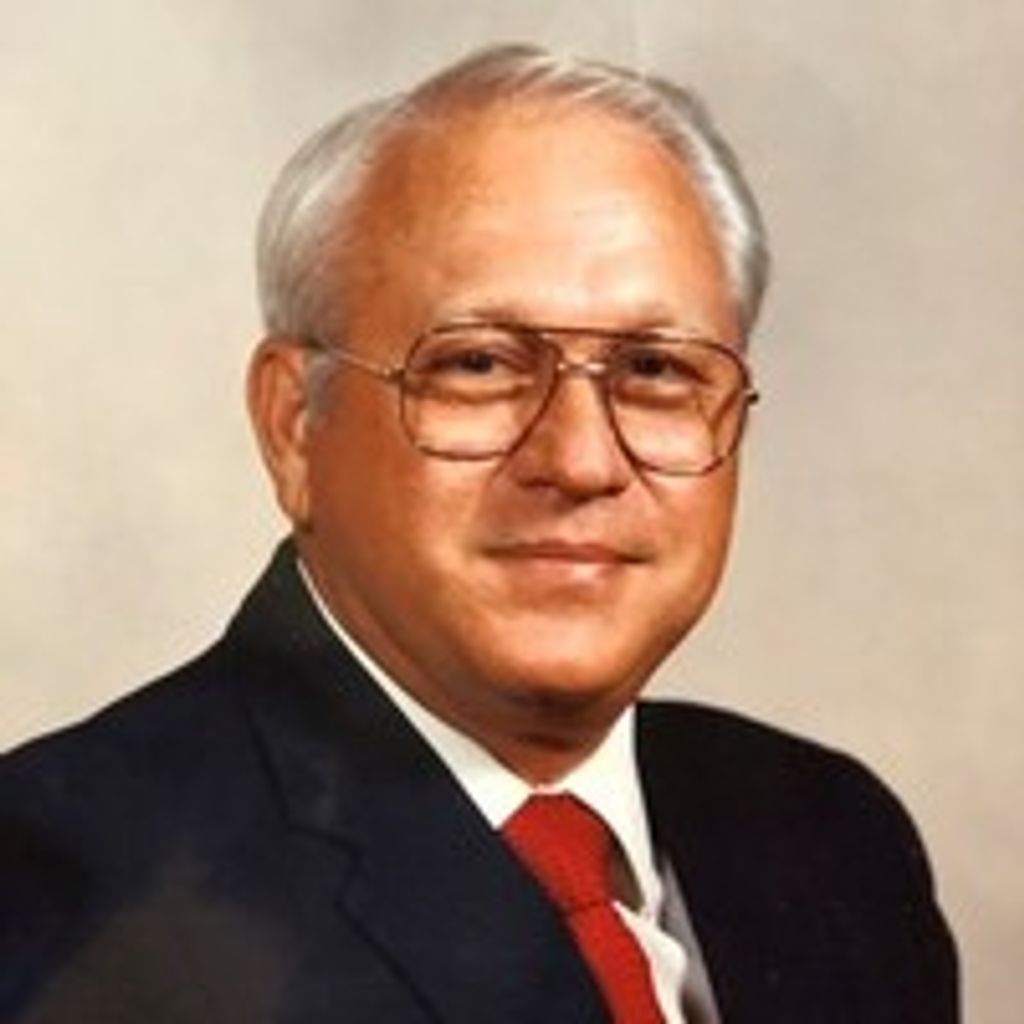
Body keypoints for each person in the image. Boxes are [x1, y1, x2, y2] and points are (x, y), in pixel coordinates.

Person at [1, 43, 957, 1024]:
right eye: (479, 365)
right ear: (294, 426)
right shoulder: (53, 893)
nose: (580, 461)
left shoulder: (833, 844)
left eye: (656, 371)